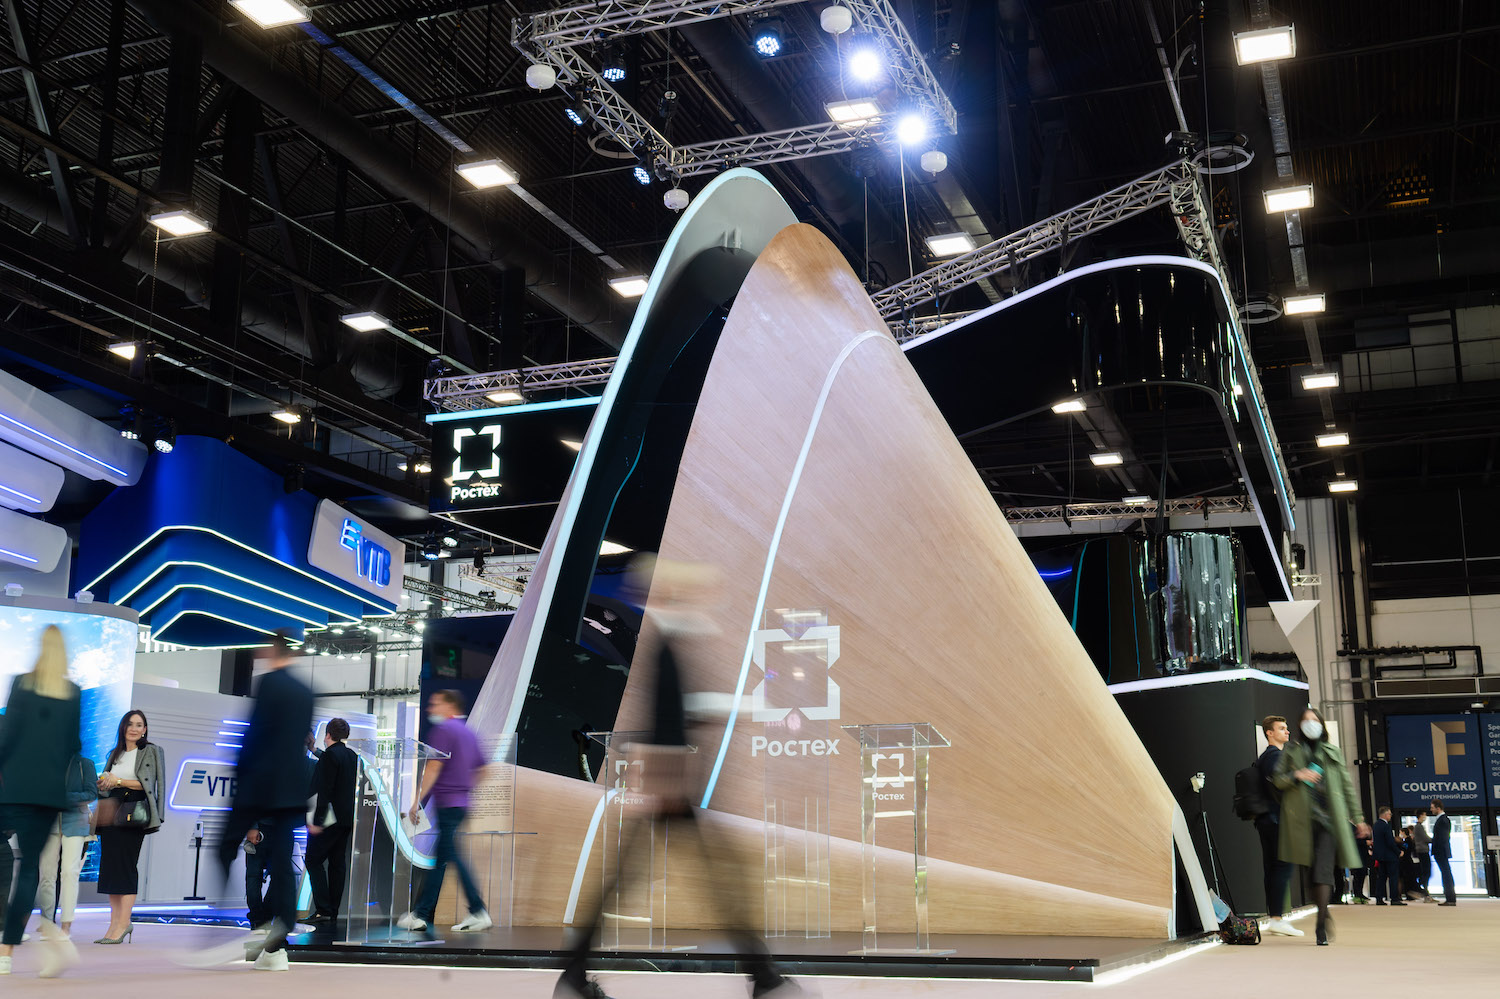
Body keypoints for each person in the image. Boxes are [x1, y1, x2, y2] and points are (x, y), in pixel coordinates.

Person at [556, 556, 792, 999]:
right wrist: (667, 784)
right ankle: (765, 979)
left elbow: (678, 712)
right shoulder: (668, 644)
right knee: (716, 880)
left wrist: (730, 708)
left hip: (669, 782)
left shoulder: (670, 640)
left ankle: (573, 977)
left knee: (644, 879)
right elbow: (667, 718)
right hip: (670, 783)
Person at [187, 632, 313, 972]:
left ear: (273, 649)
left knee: (226, 848)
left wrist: (240, 772)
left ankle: (216, 931)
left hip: (260, 785)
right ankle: (277, 944)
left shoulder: (270, 683)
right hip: (289, 792)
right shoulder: (306, 691)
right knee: (283, 866)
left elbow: (256, 734)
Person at [0, 625, 82, 977]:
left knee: (14, 864)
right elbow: (73, 745)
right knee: (30, 870)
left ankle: (8, 949)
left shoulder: (22, 683)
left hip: (16, 790)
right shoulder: (73, 692)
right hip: (49, 795)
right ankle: (6, 954)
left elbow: (7, 738)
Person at [1273, 707, 1370, 946]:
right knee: (1310, 874)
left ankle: (1320, 925)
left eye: (1314, 720)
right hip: (1301, 822)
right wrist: (1297, 775)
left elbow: (1347, 786)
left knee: (1323, 871)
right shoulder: (1291, 750)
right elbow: (1278, 780)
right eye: (1305, 720)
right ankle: (1324, 911)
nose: (1310, 723)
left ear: (1321, 724)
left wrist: (1358, 818)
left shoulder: (1332, 751)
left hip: (1329, 821)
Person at [398, 690, 492, 934]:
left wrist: (416, 802)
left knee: (451, 857)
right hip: (461, 804)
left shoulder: (444, 730)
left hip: (448, 805)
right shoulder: (469, 732)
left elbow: (433, 767)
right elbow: (483, 769)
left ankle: (477, 910)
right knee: (442, 860)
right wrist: (465, 788)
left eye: (435, 704)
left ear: (450, 705)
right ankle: (421, 914)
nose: (430, 709)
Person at [94, 709, 165, 944]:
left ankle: (124, 923)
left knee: (125, 867)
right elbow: (109, 784)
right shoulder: (115, 753)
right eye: (130, 724)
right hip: (111, 812)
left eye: (139, 724)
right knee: (111, 870)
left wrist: (118, 780)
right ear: (123, 727)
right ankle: (114, 923)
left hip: (133, 813)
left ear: (145, 729)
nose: (134, 728)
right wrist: (104, 782)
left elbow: (149, 784)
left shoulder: (150, 751)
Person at [34, 751, 97, 937]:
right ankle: (47, 923)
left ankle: (66, 925)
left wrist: (64, 798)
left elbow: (92, 793)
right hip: (47, 821)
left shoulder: (85, 764)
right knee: (47, 874)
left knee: (70, 872)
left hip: (76, 821)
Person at [306, 718, 359, 924]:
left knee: (313, 860)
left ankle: (323, 909)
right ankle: (332, 911)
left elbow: (323, 791)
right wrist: (314, 750)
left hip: (328, 820)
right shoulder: (352, 756)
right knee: (337, 864)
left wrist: (316, 821)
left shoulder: (330, 756)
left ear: (327, 734)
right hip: (346, 819)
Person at [1253, 715, 1300, 936]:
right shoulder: (1274, 756)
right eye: (1281, 728)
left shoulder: (1265, 757)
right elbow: (1280, 783)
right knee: (1282, 866)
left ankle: (1275, 917)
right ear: (1269, 733)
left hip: (1267, 819)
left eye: (1286, 728)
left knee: (1273, 868)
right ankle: (1276, 918)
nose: (1287, 731)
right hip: (1277, 819)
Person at [1371, 807, 1405, 906]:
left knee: (1381, 878)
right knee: (1393, 877)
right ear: (1385, 814)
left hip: (1380, 857)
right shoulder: (1386, 826)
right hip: (1390, 856)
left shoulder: (1376, 825)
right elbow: (1390, 842)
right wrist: (1398, 852)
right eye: (1389, 814)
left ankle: (1379, 898)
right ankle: (1394, 898)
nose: (1390, 816)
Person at [1429, 798, 1456, 905]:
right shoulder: (1442, 819)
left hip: (1441, 851)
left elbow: (1443, 838)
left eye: (1432, 808)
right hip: (1441, 851)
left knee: (1446, 873)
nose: (1431, 810)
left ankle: (1450, 898)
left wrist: (1437, 850)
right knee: (1446, 873)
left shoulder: (1443, 820)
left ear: (1438, 808)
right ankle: (1450, 897)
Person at [1408, 812, 1435, 901]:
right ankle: (1421, 890)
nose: (1425, 817)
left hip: (1422, 850)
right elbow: (1425, 838)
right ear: (1420, 815)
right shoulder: (1419, 827)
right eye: (1424, 815)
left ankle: (1424, 892)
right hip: (1423, 851)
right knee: (1426, 872)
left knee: (1426, 872)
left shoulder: (1418, 827)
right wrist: (1435, 840)